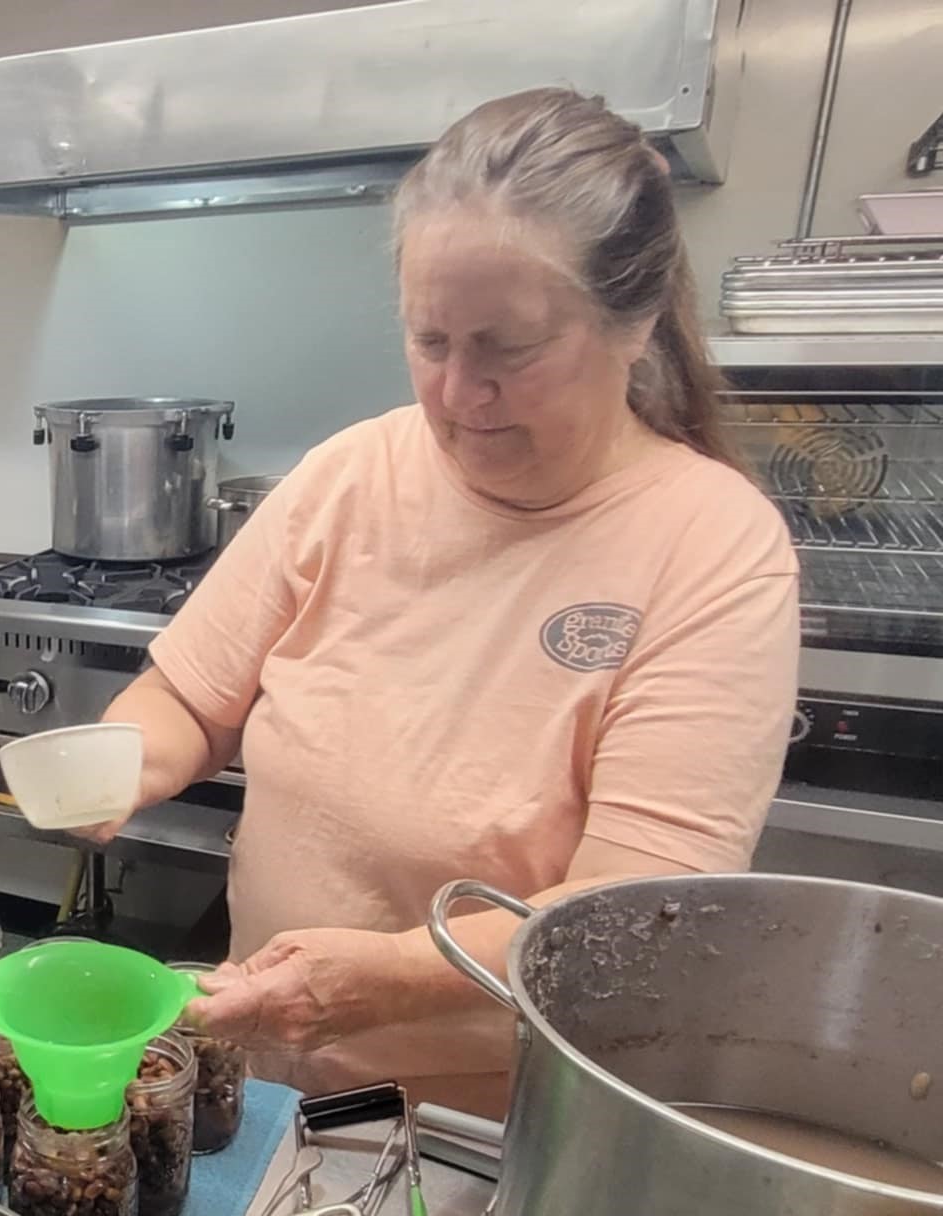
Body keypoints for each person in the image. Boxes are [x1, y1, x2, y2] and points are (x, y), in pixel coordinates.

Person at [97, 89, 799, 1115]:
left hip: (491, 1134)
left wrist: (385, 979)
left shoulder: (711, 551)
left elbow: (631, 916)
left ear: (633, 323)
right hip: (256, 1097)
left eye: (508, 348)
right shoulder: (350, 475)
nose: (461, 393)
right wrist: (115, 763)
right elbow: (193, 700)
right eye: (431, 341)